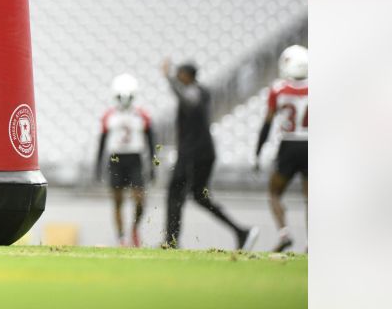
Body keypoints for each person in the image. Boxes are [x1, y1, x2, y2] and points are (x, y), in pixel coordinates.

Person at [161, 59, 258, 250]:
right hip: (201, 153)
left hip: (193, 154)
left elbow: (188, 100)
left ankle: (171, 241)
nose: (178, 77)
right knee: (199, 196)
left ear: (188, 75)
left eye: (180, 73)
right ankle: (241, 232)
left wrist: (168, 78)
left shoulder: (196, 92)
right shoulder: (200, 91)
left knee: (175, 193)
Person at [255, 44, 308, 252]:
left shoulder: (279, 89)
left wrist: (258, 150)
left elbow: (267, 123)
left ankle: (284, 232)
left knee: (274, 192)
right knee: (310, 197)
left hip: (289, 144)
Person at [95, 74, 155, 247]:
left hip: (135, 159)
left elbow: (151, 140)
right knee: (118, 200)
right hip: (116, 159)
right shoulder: (109, 115)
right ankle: (121, 238)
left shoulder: (142, 114)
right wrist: (98, 166)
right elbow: (102, 142)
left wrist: (152, 164)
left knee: (140, 200)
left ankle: (134, 228)